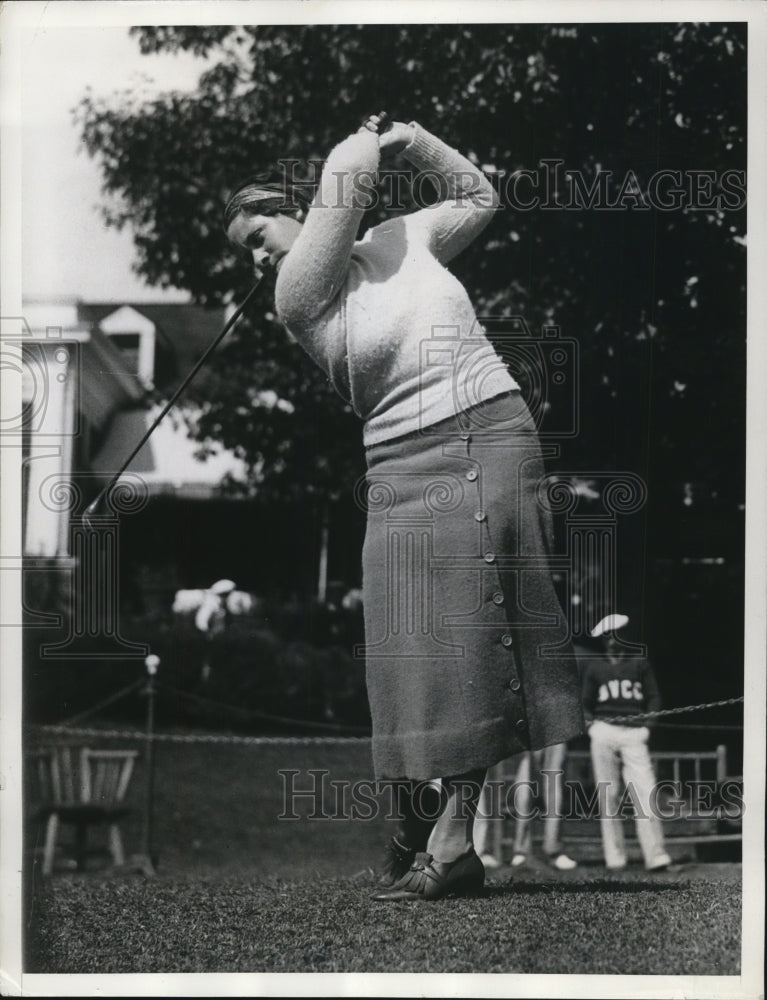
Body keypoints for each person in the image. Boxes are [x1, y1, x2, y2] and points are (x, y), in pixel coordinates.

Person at [224, 113, 584, 901]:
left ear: (297, 206)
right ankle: (410, 830)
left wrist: (412, 138)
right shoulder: (298, 294)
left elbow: (477, 195)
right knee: (406, 653)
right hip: (396, 463)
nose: (256, 253)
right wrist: (364, 141)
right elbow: (345, 177)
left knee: (474, 640)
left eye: (260, 229)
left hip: (487, 431)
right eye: (244, 249)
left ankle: (453, 844)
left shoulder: (399, 239)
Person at [581, 613, 673, 872]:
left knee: (645, 791)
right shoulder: (595, 667)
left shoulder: (639, 663)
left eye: (616, 636)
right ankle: (615, 857)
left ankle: (656, 855)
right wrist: (593, 728)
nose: (612, 642)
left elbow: (654, 698)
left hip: (634, 734)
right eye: (606, 638)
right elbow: (585, 704)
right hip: (605, 732)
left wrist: (647, 727)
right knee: (608, 794)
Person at [473, 745, 578, 872]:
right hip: (521, 730)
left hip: (555, 729)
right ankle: (522, 851)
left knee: (554, 779)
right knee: (524, 782)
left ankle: (554, 851)